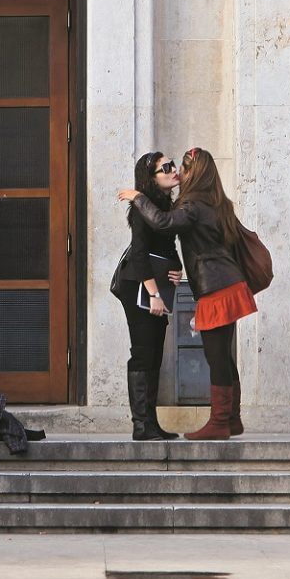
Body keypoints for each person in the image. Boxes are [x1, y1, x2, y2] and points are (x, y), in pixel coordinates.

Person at [118, 147, 255, 441]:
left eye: (179, 167)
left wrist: (139, 197)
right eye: (167, 167)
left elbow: (166, 226)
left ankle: (221, 422)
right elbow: (149, 250)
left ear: (196, 173)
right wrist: (167, 276)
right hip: (217, 285)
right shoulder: (215, 202)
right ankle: (227, 420)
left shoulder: (189, 206)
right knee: (219, 356)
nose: (176, 171)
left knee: (216, 355)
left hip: (216, 287)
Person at [113, 151, 180, 441]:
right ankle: (141, 425)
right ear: (151, 178)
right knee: (143, 352)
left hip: (156, 286)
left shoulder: (163, 206)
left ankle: (150, 424)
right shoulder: (143, 208)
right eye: (166, 167)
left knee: (154, 352)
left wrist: (176, 269)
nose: (173, 169)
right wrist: (153, 294)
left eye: (172, 163)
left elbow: (166, 244)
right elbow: (139, 254)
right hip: (139, 286)